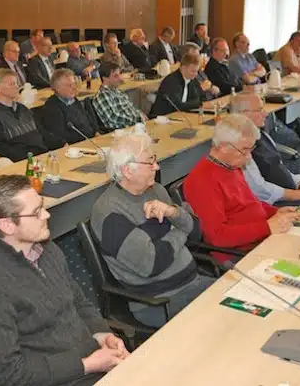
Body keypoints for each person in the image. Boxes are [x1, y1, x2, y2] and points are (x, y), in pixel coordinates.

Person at [0, 174, 130, 386]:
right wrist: (86, 365)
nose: (46, 214)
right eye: (36, 212)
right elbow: (8, 375)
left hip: (92, 361)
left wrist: (102, 334)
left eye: (42, 206)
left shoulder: (47, 249)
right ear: (7, 225)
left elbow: (78, 301)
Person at [91, 132, 214, 328]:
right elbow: (152, 263)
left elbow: (196, 233)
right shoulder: (110, 212)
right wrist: (179, 228)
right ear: (128, 171)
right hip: (159, 302)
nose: (157, 167)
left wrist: (173, 213)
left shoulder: (156, 190)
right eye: (150, 162)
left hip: (192, 282)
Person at [183, 114, 300, 263]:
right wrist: (267, 227)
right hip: (238, 254)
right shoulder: (202, 180)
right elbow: (217, 237)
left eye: (251, 149)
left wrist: (275, 212)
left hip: (260, 239)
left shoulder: (231, 165)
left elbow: (249, 204)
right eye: (244, 150)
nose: (248, 157)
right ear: (223, 147)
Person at [232, 93, 300, 206]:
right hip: (271, 204)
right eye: (259, 110)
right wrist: (298, 194)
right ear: (243, 114)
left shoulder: (261, 134)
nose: (265, 113)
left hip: (288, 193)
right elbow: (259, 190)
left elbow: (279, 166)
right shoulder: (238, 146)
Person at [0, 69, 50, 162]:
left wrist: (62, 143)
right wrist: (32, 155)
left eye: (17, 83)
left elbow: (41, 132)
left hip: (40, 155)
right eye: (12, 84)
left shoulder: (23, 109)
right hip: (23, 161)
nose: (17, 87)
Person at [35, 69, 98, 144]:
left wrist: (96, 131)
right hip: (75, 146)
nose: (74, 88)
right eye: (69, 85)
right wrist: (86, 136)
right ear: (57, 88)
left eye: (74, 84)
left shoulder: (74, 100)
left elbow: (88, 118)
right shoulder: (52, 108)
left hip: (91, 140)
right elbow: (61, 135)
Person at [149, 53, 213, 117]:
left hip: (180, 116)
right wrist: (200, 104)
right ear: (183, 68)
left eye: (197, 71)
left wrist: (199, 103)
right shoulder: (172, 81)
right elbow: (178, 106)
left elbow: (198, 98)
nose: (196, 74)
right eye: (193, 71)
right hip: (161, 118)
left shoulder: (191, 79)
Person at [92, 62, 145, 131]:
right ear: (105, 79)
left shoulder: (118, 91)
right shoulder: (102, 96)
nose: (120, 78)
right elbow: (114, 118)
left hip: (134, 127)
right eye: (115, 76)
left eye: (119, 74)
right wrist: (138, 117)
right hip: (123, 132)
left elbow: (131, 107)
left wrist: (140, 114)